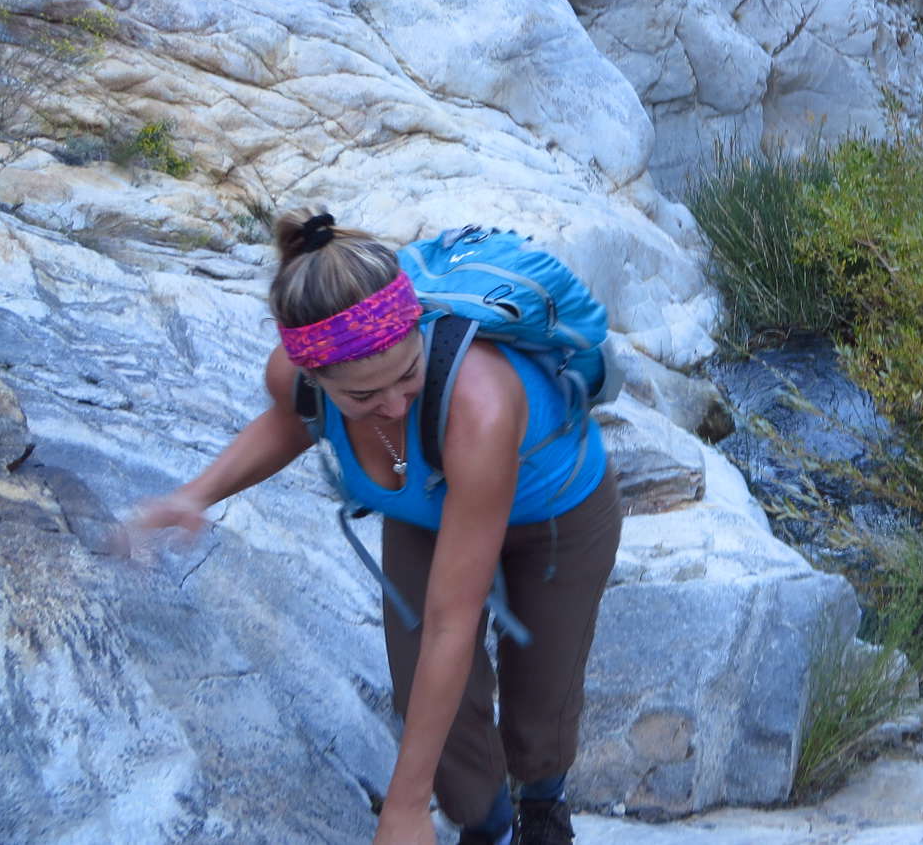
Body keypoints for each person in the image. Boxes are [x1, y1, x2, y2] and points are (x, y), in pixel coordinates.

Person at [126, 210, 621, 845]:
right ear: (313, 376)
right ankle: (486, 825)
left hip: (557, 512)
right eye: (362, 397)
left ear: (417, 330)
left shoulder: (481, 404)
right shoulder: (295, 379)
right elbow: (290, 423)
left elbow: (451, 621)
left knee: (541, 693)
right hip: (430, 511)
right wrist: (195, 495)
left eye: (408, 374)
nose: (392, 405)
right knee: (426, 694)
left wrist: (404, 805)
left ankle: (544, 803)